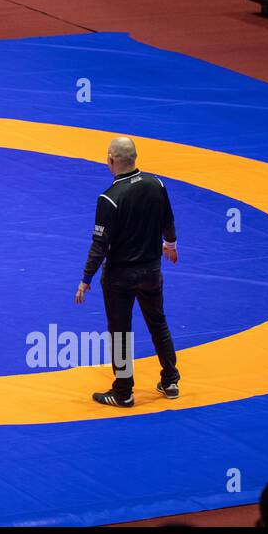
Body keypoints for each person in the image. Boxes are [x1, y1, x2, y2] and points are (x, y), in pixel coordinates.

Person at [75, 136, 180, 407]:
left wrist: (86, 278)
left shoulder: (109, 199)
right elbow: (168, 218)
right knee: (158, 323)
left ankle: (123, 392)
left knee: (120, 332)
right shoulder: (156, 184)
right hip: (151, 272)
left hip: (120, 277)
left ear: (110, 160)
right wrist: (170, 243)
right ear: (135, 158)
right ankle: (170, 380)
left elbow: (100, 244)